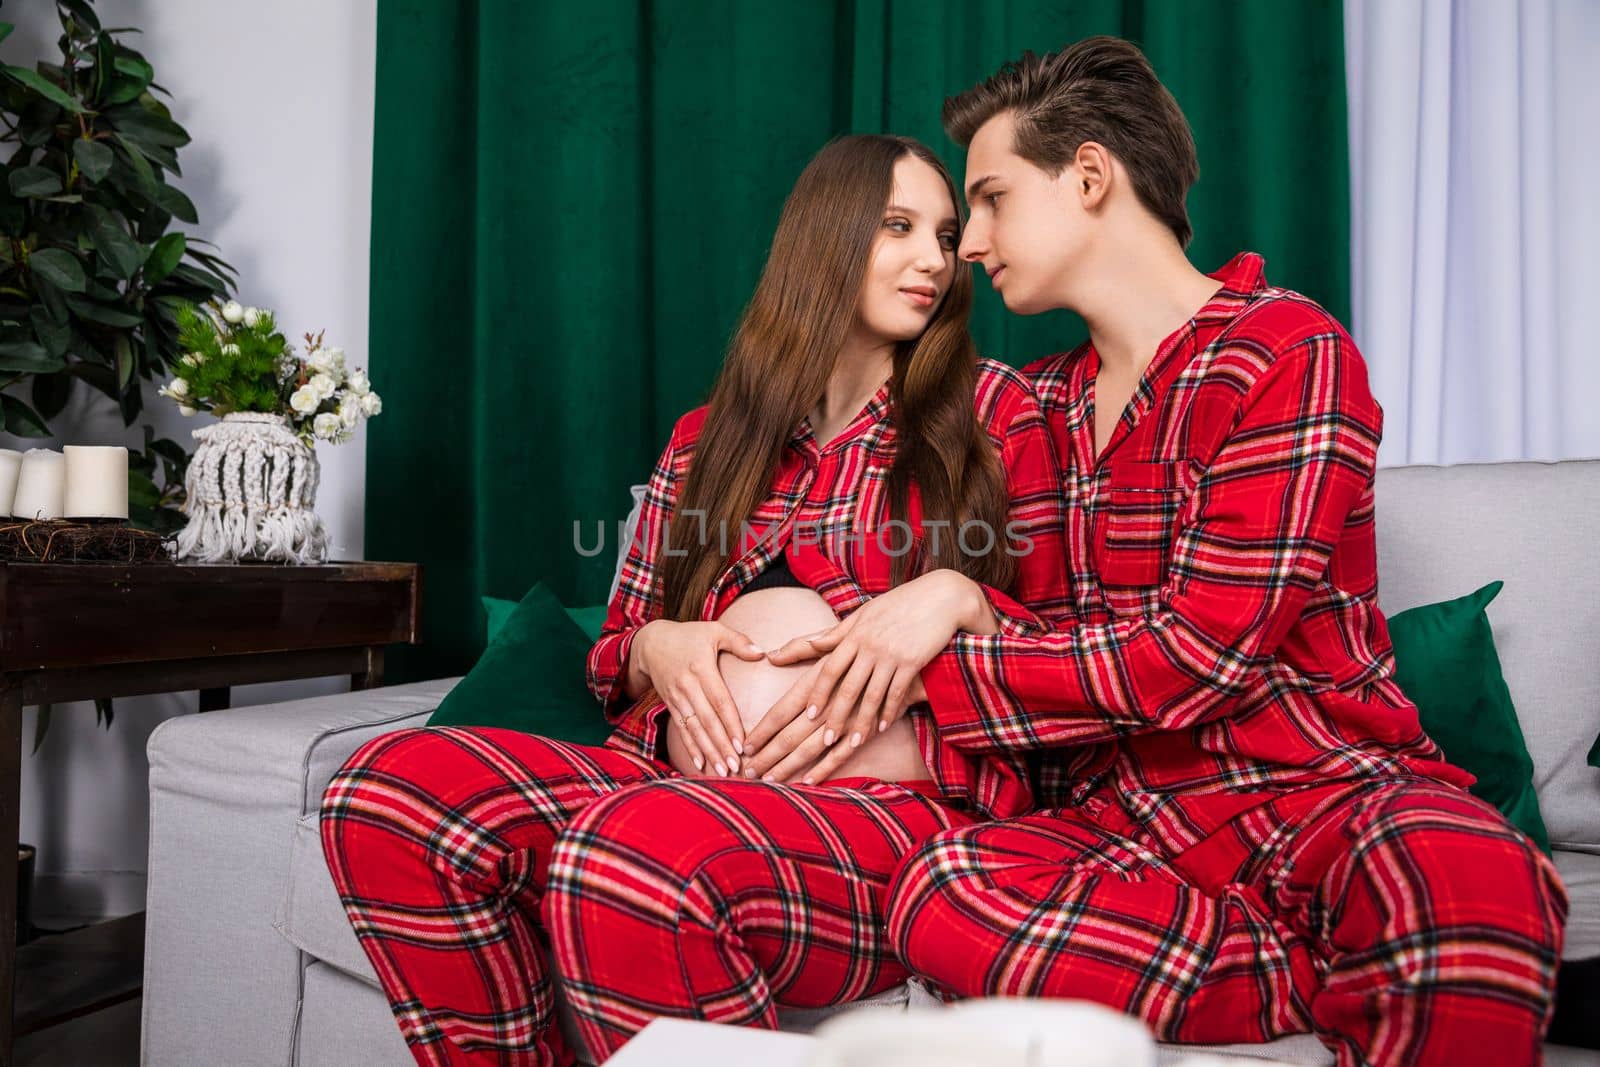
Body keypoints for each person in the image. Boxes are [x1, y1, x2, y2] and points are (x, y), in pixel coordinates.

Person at [747, 38, 1567, 1067]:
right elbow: (961, 587)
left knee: (1465, 874)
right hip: (1119, 820)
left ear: (1088, 176)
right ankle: (1335, 971)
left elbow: (1203, 655)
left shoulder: (1284, 351)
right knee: (943, 888)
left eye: (991, 200)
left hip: (1317, 790)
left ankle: (1366, 942)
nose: (969, 245)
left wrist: (941, 646)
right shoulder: (1028, 404)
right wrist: (932, 589)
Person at [320, 133, 1072, 1066]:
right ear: (822, 238)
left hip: (894, 817)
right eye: (898, 226)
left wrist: (956, 600)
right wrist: (656, 647)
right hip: (683, 788)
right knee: (384, 792)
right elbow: (618, 649)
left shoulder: (994, 413)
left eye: (947, 231)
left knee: (629, 853)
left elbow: (1067, 655)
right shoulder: (708, 440)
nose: (937, 257)